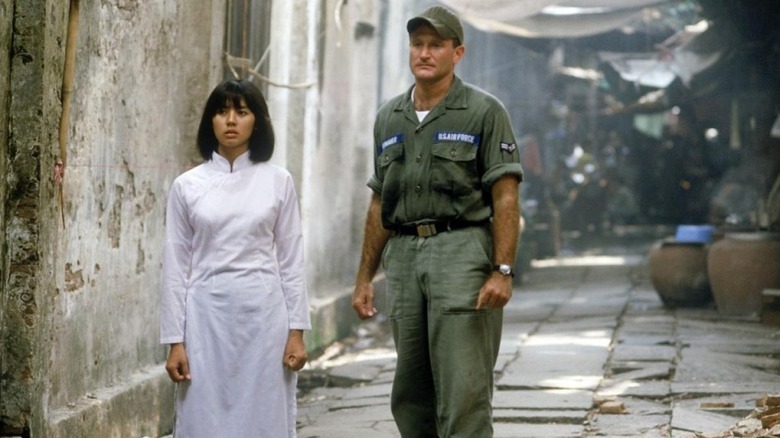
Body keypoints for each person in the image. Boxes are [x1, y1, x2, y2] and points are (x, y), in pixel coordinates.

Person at [352, 6, 523, 437]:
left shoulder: (484, 111)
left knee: (463, 388)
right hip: (405, 256)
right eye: (417, 44)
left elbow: (505, 195)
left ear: (457, 52)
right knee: (410, 391)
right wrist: (364, 276)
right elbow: (379, 204)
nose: (424, 54)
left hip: (461, 250)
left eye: (436, 45)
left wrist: (502, 270)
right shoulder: (389, 117)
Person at [160, 79, 311, 438]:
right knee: (202, 416)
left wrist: (297, 332)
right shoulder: (187, 186)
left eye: (241, 112)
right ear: (209, 121)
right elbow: (176, 266)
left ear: (256, 122)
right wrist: (174, 341)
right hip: (204, 318)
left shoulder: (278, 181)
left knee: (264, 417)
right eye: (222, 111)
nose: (231, 120)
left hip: (264, 319)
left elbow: (292, 260)